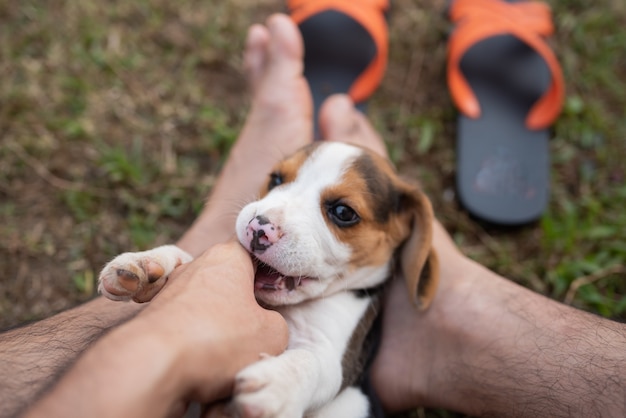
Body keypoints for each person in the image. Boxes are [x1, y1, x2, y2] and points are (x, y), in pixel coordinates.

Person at [2, 13, 624, 418]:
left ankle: (448, 310)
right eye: (278, 180)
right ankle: (184, 263)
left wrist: (293, 382)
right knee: (199, 275)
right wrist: (168, 266)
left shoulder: (342, 302)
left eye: (342, 212)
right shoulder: (281, 249)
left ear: (405, 231)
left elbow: (323, 363)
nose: (269, 215)